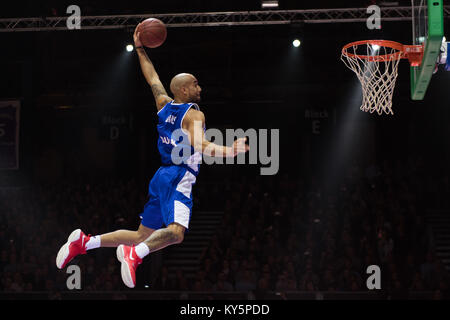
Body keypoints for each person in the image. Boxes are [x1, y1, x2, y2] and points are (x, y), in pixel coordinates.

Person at [56, 22, 249, 288]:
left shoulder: (163, 104)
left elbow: (153, 78)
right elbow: (202, 145)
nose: (199, 87)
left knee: (140, 235)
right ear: (183, 90)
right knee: (176, 234)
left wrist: (139, 48)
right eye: (195, 84)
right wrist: (232, 150)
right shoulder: (194, 113)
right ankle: (136, 255)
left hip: (161, 175)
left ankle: (85, 242)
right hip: (179, 176)